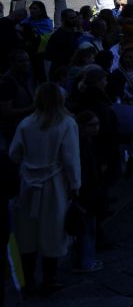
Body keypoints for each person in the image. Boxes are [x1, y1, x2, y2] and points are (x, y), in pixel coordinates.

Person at [9, 83, 78, 296]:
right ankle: (50, 279)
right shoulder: (66, 123)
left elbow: (14, 153)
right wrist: (75, 185)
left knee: (27, 231)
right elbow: (70, 159)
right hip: (54, 183)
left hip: (28, 183)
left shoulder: (26, 123)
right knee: (53, 230)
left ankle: (28, 280)